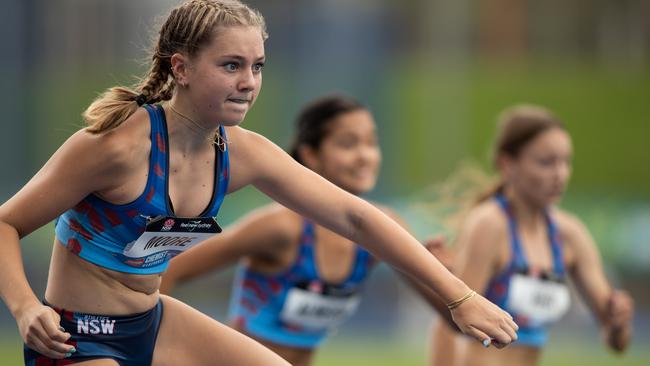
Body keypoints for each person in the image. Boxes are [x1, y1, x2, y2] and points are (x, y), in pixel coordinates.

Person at [0, 1, 518, 365]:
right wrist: (26, 309)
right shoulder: (115, 146)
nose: (248, 82)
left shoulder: (242, 153)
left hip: (152, 323)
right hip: (77, 337)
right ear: (180, 67)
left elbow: (359, 217)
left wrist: (460, 296)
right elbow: (5, 224)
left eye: (257, 66)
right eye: (230, 66)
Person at [160, 95, 455, 366]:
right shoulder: (281, 228)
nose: (365, 156)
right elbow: (170, 268)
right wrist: (155, 347)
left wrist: (449, 276)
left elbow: (456, 318)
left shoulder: (382, 230)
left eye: (371, 143)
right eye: (348, 144)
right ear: (310, 155)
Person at [429, 105, 634, 366]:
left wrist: (618, 322)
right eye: (546, 162)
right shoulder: (490, 224)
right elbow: (452, 323)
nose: (560, 174)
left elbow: (617, 344)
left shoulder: (570, 235)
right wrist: (443, 282)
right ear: (507, 164)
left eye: (565, 162)